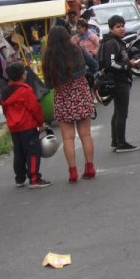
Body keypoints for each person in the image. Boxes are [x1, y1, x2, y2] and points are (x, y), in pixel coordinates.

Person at [44, 25, 97, 182]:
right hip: (81, 95)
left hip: (62, 98)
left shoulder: (48, 57)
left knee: (68, 138)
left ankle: (73, 172)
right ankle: (90, 167)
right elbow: (94, 65)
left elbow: (48, 84)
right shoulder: (76, 50)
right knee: (85, 134)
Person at [1, 62, 50, 189]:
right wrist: (40, 123)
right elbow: (35, 108)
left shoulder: (5, 92)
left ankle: (19, 178)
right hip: (28, 126)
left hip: (14, 127)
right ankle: (34, 179)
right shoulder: (26, 90)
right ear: (23, 75)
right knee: (32, 152)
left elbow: (5, 110)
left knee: (19, 153)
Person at [99, 15, 138, 153]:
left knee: (118, 112)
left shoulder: (116, 41)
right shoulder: (111, 43)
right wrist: (127, 66)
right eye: (118, 27)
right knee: (121, 112)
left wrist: (129, 63)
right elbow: (111, 64)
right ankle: (121, 143)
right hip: (118, 81)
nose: (121, 29)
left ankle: (115, 141)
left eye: (122, 26)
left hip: (121, 80)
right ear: (111, 29)